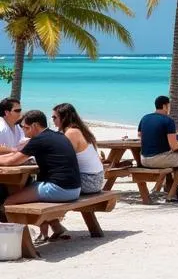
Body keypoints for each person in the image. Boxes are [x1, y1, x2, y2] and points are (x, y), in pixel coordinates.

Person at [0, 109, 80, 242]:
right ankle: (57, 228)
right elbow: (17, 155)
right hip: (74, 189)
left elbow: (10, 162)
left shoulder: (39, 140)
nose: (24, 132)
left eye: (25, 128)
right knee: (29, 190)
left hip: (59, 189)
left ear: (35, 126)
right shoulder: (58, 136)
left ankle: (20, 242)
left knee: (9, 202)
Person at [139, 95, 178, 201]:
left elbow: (140, 135)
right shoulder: (168, 121)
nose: (169, 108)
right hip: (158, 160)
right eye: (168, 106)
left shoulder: (145, 118)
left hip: (144, 160)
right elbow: (174, 146)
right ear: (165, 106)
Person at [52, 103, 106, 194]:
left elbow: (63, 159)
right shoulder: (81, 130)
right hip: (96, 179)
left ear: (64, 118)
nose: (53, 120)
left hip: (88, 181)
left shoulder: (71, 132)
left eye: (54, 117)